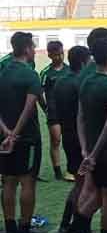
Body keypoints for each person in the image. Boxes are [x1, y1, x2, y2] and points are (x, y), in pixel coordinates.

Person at [57, 38, 107, 233]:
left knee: (97, 196)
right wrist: (94, 154)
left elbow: (80, 118)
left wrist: (85, 150)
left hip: (91, 150)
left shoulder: (86, 82)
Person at [0, 32, 43, 233]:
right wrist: (15, 133)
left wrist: (6, 131)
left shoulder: (3, 72)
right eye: (33, 47)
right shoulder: (30, 74)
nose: (34, 50)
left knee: (8, 180)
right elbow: (29, 107)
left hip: (3, 136)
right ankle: (24, 227)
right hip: (26, 137)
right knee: (28, 181)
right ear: (26, 49)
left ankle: (9, 225)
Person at [53, 46, 91, 233]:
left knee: (79, 183)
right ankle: (76, 227)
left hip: (68, 135)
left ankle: (67, 224)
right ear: (84, 62)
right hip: (82, 138)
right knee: (87, 185)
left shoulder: (61, 81)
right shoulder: (82, 82)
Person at [39, 40, 70, 181]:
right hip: (53, 111)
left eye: (62, 53)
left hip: (69, 111)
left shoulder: (69, 70)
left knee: (70, 140)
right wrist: (46, 108)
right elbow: (39, 93)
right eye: (57, 54)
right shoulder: (46, 73)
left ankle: (72, 168)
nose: (60, 57)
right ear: (50, 55)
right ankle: (57, 170)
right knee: (56, 140)